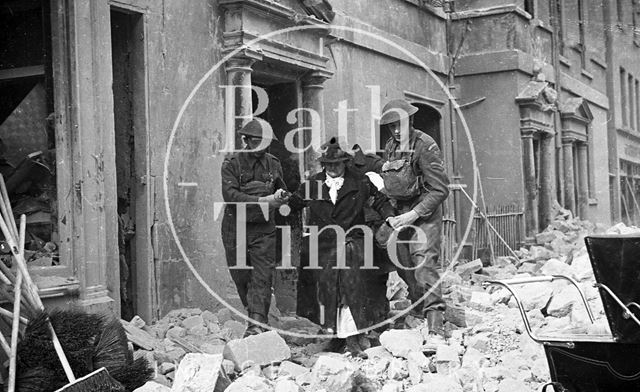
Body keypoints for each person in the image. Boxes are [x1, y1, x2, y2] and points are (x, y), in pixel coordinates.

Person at [289, 137, 395, 358]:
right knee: (329, 292)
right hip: (324, 245)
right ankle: (335, 338)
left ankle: (353, 339)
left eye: (337, 164)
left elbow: (380, 202)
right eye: (328, 165)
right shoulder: (312, 184)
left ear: (345, 163)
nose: (333, 169)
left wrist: (391, 219)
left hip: (352, 242)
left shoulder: (360, 182)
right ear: (323, 165)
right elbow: (294, 204)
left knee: (350, 288)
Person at [380, 99, 450, 339]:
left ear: (410, 121)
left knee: (424, 263)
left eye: (400, 124)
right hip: (401, 211)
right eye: (392, 126)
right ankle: (418, 308)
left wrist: (414, 214)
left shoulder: (425, 145)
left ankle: (435, 324)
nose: (397, 131)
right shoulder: (390, 146)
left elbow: (440, 190)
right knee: (403, 264)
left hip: (423, 212)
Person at [221, 119, 289, 337]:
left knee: (262, 276)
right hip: (236, 227)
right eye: (257, 142)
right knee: (241, 276)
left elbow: (282, 190)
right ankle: (254, 315)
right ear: (246, 140)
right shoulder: (231, 163)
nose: (261, 147)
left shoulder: (274, 163)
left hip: (264, 228)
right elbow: (231, 196)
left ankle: (256, 324)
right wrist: (264, 200)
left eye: (265, 143)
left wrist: (281, 197)